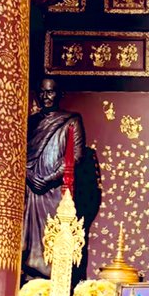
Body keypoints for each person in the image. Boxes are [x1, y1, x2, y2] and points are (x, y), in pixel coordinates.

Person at [22, 77, 100, 283]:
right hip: (30, 189)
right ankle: (30, 283)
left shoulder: (70, 119)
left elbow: (76, 155)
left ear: (60, 94)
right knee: (28, 240)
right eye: (42, 92)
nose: (45, 97)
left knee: (53, 239)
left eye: (50, 92)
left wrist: (47, 178)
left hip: (55, 191)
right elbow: (18, 154)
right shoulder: (30, 122)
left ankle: (53, 283)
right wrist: (31, 176)